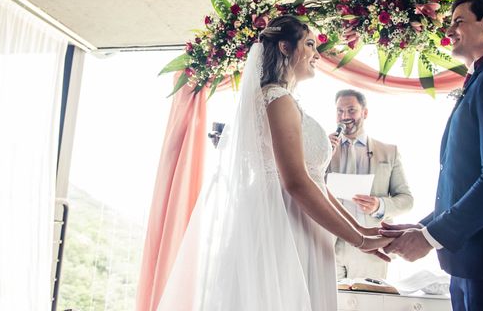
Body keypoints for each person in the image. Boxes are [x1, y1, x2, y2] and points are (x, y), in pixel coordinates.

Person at [157, 15, 391, 311]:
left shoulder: (284, 99)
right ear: (285, 47)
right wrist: (358, 240)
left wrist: (364, 230)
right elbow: (296, 182)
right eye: (309, 44)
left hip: (300, 221)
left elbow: (314, 179)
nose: (317, 55)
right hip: (284, 224)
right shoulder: (276, 99)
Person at [380, 0, 483, 311]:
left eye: (458, 21)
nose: (449, 30)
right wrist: (425, 226)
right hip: (474, 262)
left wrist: (430, 238)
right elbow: (466, 180)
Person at [327, 89, 413, 279]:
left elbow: (406, 200)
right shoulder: (324, 148)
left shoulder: (389, 152)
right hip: (328, 244)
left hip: (370, 245)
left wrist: (379, 205)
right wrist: (322, 155)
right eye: (340, 111)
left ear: (364, 113)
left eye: (351, 110)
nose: (345, 116)